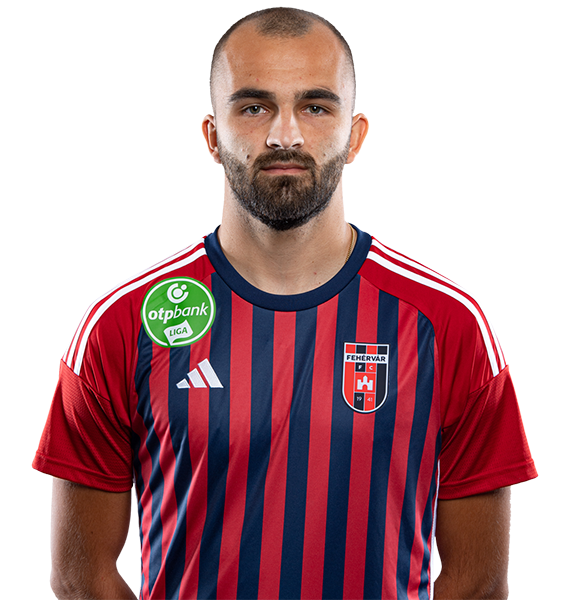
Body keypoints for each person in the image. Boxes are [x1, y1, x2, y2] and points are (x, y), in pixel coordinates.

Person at [34, 7, 537, 600]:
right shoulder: (122, 324)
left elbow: (478, 583)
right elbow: (82, 579)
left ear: (355, 135)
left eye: (316, 107)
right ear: (212, 136)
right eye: (254, 107)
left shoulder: (447, 324)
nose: (285, 135)